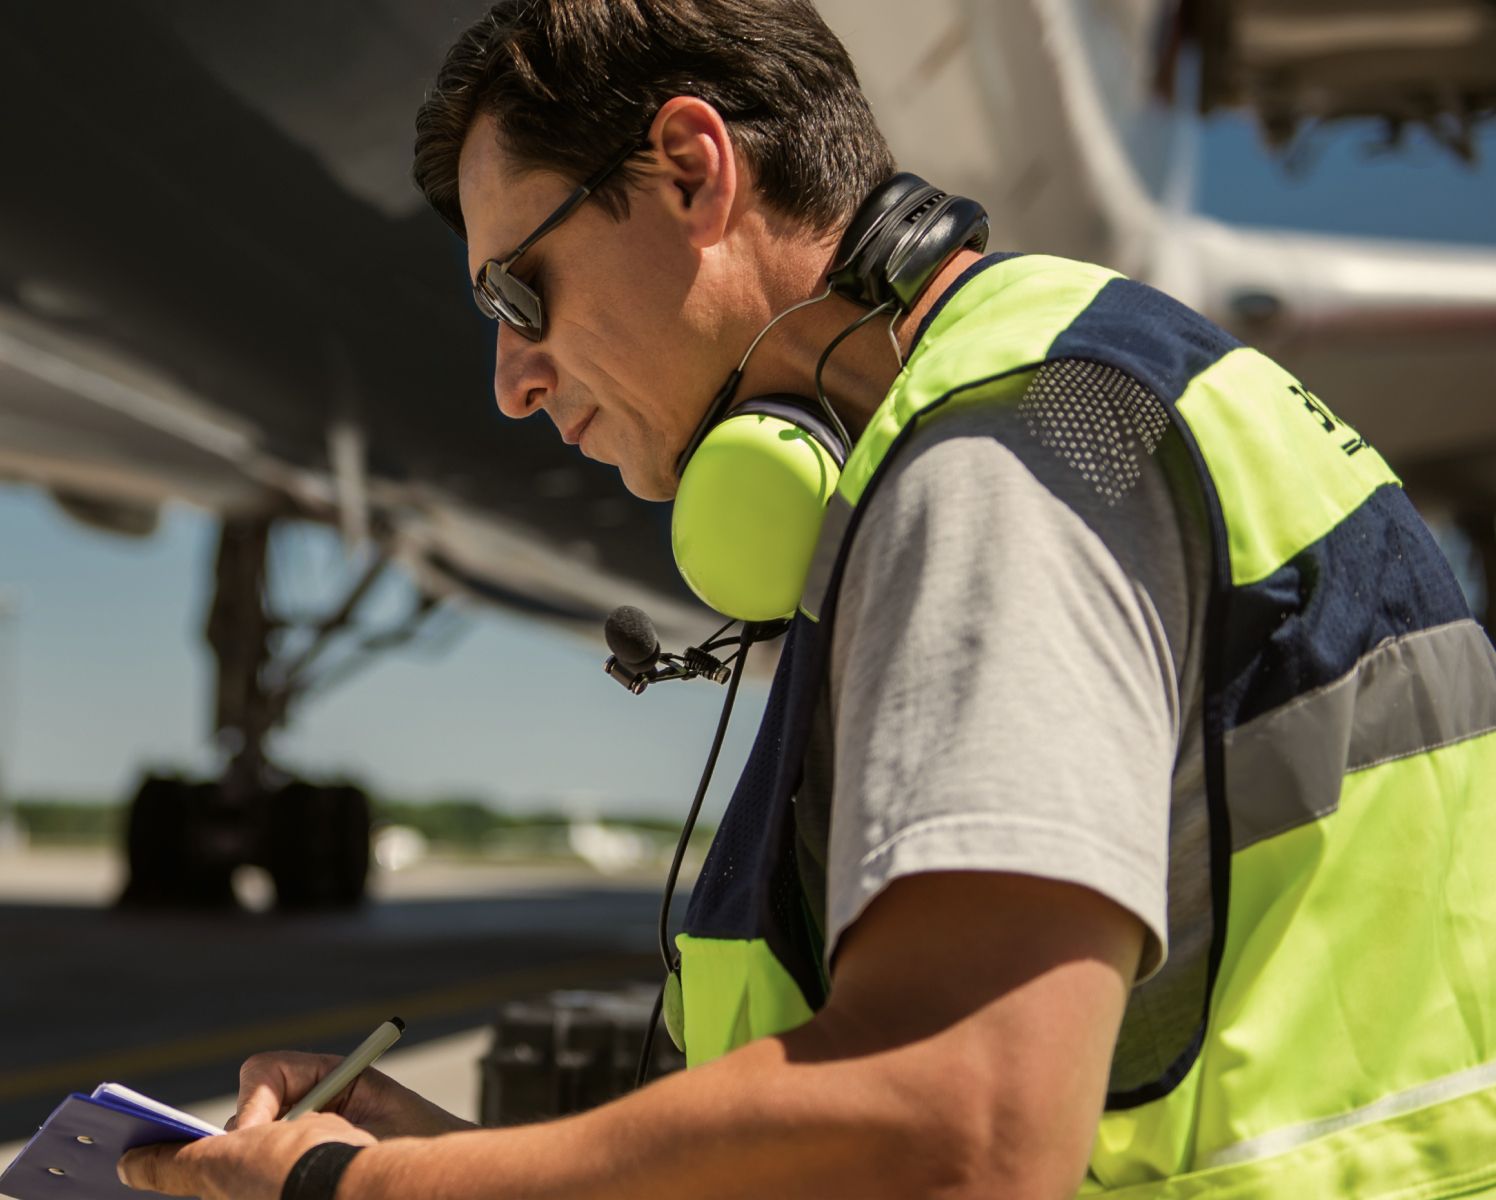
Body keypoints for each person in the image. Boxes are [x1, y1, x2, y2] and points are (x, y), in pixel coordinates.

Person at [119, 2, 1496, 1198]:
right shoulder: (1107, 388)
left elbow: (957, 1134)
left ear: (689, 172)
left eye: (516, 292)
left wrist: (352, 1193)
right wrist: (442, 1161)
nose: (512, 379)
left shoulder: (1000, 457)